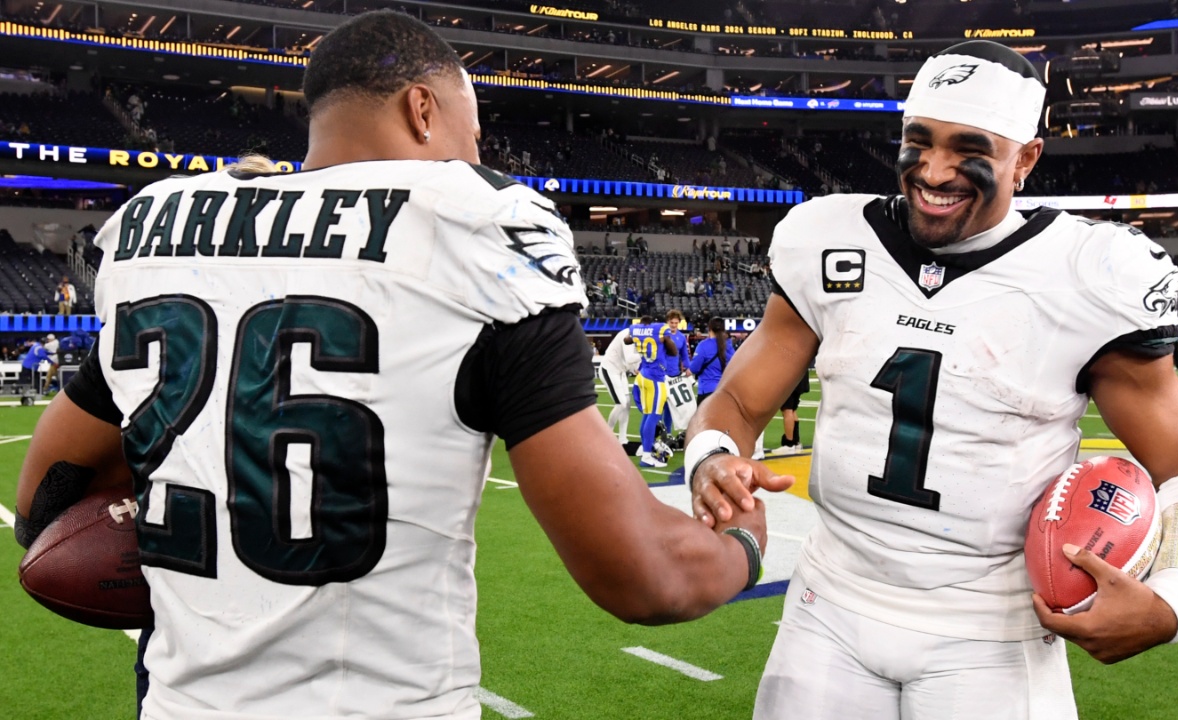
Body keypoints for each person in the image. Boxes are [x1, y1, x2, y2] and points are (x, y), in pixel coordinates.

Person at [14, 12, 771, 720]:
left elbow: (46, 491)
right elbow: (644, 575)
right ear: (421, 109)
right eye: (471, 134)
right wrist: (743, 546)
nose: (474, 158)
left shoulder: (158, 224)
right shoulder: (472, 223)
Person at [684, 40, 1178, 719]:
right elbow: (737, 400)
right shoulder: (826, 237)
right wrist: (712, 460)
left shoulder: (1092, 273)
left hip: (992, 627)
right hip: (828, 601)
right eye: (920, 141)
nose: (935, 169)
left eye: (968, 147)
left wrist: (1175, 600)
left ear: (1026, 159)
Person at [625, 315, 679, 467]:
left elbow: (627, 340)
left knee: (647, 414)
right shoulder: (659, 328)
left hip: (642, 375)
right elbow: (673, 351)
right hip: (655, 377)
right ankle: (647, 456)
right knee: (654, 416)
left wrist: (639, 338)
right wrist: (665, 339)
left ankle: (645, 449)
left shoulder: (635, 329)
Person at [600, 320, 642, 445]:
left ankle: (622, 438)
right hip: (609, 369)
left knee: (627, 404)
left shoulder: (639, 339)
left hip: (621, 371)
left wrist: (636, 369)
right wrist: (645, 354)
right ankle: (607, 434)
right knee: (621, 404)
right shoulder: (628, 334)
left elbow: (631, 364)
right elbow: (630, 358)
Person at [687, 317, 735, 405]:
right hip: (725, 390)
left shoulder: (704, 345)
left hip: (707, 390)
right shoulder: (728, 345)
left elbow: (694, 368)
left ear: (709, 328)